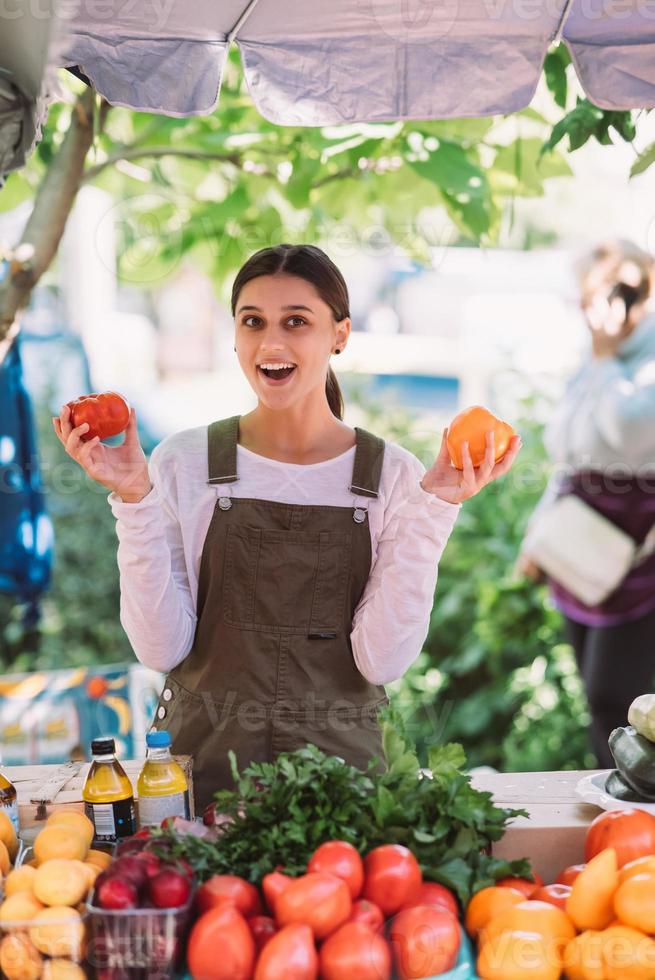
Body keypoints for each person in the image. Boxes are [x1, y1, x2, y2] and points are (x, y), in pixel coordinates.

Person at [54, 244, 521, 809]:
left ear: (340, 334)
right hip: (203, 777)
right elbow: (162, 646)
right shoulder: (184, 463)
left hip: (342, 782)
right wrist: (133, 498)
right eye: (253, 322)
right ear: (234, 335)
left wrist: (438, 507)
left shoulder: (393, 476)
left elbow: (382, 661)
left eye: (296, 321)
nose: (271, 344)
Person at [518, 240, 655, 767]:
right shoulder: (599, 357)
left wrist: (604, 360)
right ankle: (611, 796)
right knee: (596, 697)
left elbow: (633, 433)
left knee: (614, 695)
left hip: (637, 553)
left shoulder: (628, 359)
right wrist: (536, 537)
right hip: (581, 541)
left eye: (595, 295)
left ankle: (632, 808)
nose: (584, 309)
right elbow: (567, 453)